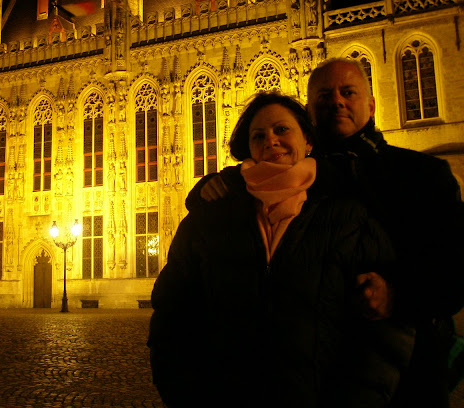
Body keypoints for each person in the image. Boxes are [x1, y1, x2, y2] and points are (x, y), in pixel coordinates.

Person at [193, 59, 464, 407]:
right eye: (324, 95)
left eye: (347, 92)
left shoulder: (424, 174)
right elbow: (250, 177)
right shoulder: (298, 174)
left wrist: (397, 294)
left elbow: (455, 272)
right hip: (315, 379)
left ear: (371, 104)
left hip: (406, 375)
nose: (336, 101)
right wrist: (208, 186)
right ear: (309, 112)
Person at [148, 92, 414, 407]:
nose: (271, 140)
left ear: (309, 141)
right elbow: (172, 317)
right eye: (258, 135)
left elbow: (384, 333)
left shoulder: (347, 216)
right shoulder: (211, 214)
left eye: (282, 130)